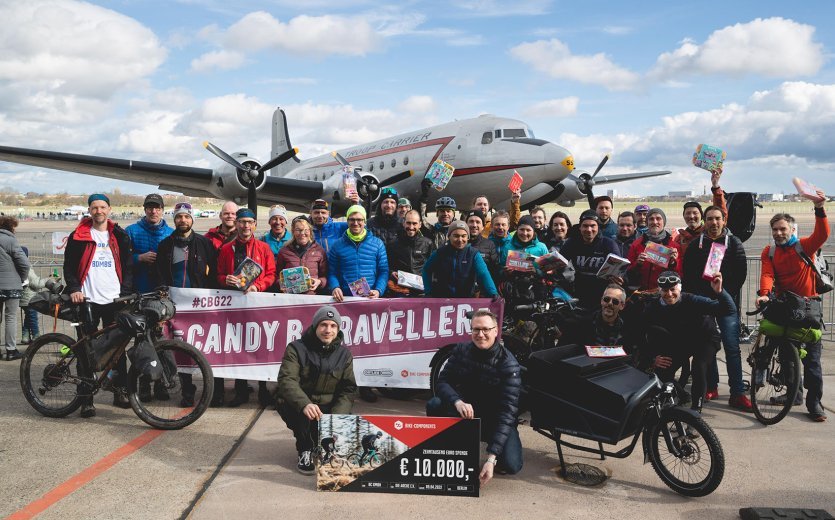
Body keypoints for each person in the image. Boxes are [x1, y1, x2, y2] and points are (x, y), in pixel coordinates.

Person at [756, 190, 829, 422]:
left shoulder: (804, 246)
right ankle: (793, 395)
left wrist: (819, 208)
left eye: (783, 229)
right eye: (775, 229)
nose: (778, 233)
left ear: (792, 230)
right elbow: (767, 274)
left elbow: (823, 233)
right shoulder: (770, 251)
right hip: (784, 307)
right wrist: (765, 294)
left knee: (812, 362)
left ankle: (814, 402)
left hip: (808, 308)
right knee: (788, 357)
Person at [427, 309, 522, 484]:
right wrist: (457, 402)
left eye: (486, 329)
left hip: (493, 420)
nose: (481, 334)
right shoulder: (461, 349)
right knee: (434, 404)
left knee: (512, 465)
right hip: (465, 413)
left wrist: (491, 459)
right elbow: (442, 382)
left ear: (495, 331)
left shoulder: (509, 365)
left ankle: (492, 449)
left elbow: (507, 413)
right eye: (476, 330)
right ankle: (446, 447)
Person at [63, 194, 133, 417]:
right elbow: (69, 267)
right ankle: (86, 398)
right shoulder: (79, 236)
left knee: (118, 350)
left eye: (102, 207)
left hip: (114, 300)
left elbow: (128, 265)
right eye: (94, 208)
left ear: (109, 209)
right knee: (86, 350)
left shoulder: (119, 235)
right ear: (89, 211)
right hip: (88, 300)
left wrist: (126, 292)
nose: (99, 211)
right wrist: (74, 289)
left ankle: (119, 391)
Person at [638, 271, 734, 414]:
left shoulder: (692, 300)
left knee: (698, 367)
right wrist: (653, 358)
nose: (669, 294)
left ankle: (696, 411)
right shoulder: (653, 307)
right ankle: (684, 396)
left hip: (706, 338)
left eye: (673, 290)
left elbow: (728, 309)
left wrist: (720, 292)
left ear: (680, 288)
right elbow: (639, 334)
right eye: (665, 290)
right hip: (683, 341)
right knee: (661, 372)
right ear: (659, 290)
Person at [276, 305, 357, 474]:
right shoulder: (296, 348)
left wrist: (337, 417)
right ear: (315, 326)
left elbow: (348, 389)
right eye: (323, 325)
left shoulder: (344, 355)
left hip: (328, 408)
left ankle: (322, 444)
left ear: (338, 329)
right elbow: (287, 380)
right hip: (304, 408)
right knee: (288, 402)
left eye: (333, 326)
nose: (328, 330)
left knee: (341, 425)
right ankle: (304, 449)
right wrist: (304, 404)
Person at [683, 205, 748, 410]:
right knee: (707, 346)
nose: (714, 223)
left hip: (726, 302)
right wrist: (701, 298)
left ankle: (737, 392)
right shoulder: (696, 245)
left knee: (731, 347)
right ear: (705, 221)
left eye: (717, 218)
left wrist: (723, 293)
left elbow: (740, 275)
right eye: (709, 219)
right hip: (704, 303)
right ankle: (712, 386)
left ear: (724, 221)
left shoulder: (734, 243)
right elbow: (689, 274)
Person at [155, 202, 217, 407]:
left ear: (192, 219)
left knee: (206, 347)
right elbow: (160, 274)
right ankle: (187, 390)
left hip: (200, 305)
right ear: (175, 219)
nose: (183, 220)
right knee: (180, 348)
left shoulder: (204, 243)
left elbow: (214, 273)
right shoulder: (166, 244)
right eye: (179, 217)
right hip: (175, 306)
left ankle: (211, 388)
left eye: (187, 217)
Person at [216, 208, 277, 407]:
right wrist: (226, 279)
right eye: (242, 222)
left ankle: (263, 390)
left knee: (260, 346)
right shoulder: (226, 249)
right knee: (239, 347)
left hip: (257, 303)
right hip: (235, 305)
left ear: (255, 225)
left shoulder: (263, 248)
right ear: (237, 224)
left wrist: (258, 286)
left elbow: (271, 274)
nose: (245, 226)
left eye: (250, 222)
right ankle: (241, 390)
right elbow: (218, 275)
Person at [559, 210, 621, 310]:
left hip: (602, 294)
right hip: (579, 292)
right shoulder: (572, 243)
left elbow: (620, 268)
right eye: (585, 226)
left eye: (593, 226)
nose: (589, 229)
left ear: (598, 227)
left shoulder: (608, 244)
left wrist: (617, 277)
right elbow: (559, 262)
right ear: (580, 227)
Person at [327, 205, 388, 303]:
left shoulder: (378, 244)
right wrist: (335, 287)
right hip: (344, 299)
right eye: (352, 219)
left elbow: (383, 271)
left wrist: (378, 290)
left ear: (364, 221)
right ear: (347, 221)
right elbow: (332, 272)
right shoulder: (337, 245)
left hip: (370, 298)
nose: (355, 223)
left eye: (359, 219)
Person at [423, 221, 497, 298]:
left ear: (468, 237)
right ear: (449, 236)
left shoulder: (473, 254)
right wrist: (428, 291)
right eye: (456, 236)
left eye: (463, 236)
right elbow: (426, 270)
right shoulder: (440, 253)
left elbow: (483, 274)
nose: (460, 240)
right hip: (442, 299)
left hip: (465, 300)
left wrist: (493, 292)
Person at [557, 285, 634, 352]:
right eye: (606, 299)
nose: (610, 303)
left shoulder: (626, 331)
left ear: (622, 306)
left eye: (615, 301)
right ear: (601, 301)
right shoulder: (581, 325)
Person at [125, 193, 173, 293]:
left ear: (162, 210)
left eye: (157, 208)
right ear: (145, 210)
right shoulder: (130, 231)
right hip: (137, 289)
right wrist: (139, 258)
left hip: (163, 290)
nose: (153, 212)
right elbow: (121, 259)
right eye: (150, 208)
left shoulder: (171, 233)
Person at [626, 208, 683, 292]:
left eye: (658, 219)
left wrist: (673, 263)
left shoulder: (674, 247)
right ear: (647, 222)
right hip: (640, 293)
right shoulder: (637, 244)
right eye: (651, 219)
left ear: (664, 222)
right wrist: (637, 264)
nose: (655, 222)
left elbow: (680, 275)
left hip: (664, 294)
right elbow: (628, 271)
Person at [0, 216, 29, 361]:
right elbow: (24, 264)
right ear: (11, 227)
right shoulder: (11, 240)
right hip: (11, 285)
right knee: (10, 317)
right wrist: (22, 278)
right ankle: (11, 350)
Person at [385, 209, 433, 297]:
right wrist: (392, 273)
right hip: (399, 291)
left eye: (414, 223)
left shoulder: (428, 243)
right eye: (408, 223)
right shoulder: (393, 244)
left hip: (421, 292)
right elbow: (386, 266)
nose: (411, 227)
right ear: (404, 223)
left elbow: (432, 268)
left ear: (420, 225)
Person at [275, 216, 328, 295]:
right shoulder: (284, 251)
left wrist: (319, 282)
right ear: (293, 231)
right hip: (290, 298)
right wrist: (281, 283)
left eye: (306, 230)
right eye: (298, 230)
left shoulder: (319, 251)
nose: (302, 233)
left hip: (312, 297)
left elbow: (325, 275)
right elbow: (277, 275)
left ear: (310, 231)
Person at [466, 210, 500, 284]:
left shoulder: (490, 245)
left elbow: (496, 271)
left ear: (483, 226)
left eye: (478, 222)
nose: (474, 225)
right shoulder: (458, 243)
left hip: (483, 292)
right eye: (471, 221)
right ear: (466, 224)